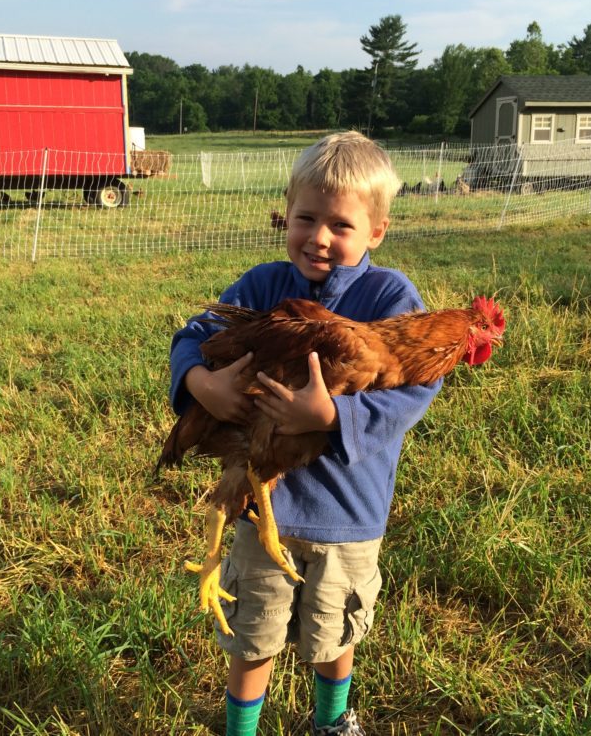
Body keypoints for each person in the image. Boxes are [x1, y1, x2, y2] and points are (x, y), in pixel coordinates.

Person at [168, 131, 441, 735]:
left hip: (346, 511)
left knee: (333, 633)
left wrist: (333, 419)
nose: (318, 237)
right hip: (260, 501)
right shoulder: (264, 285)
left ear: (376, 231)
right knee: (252, 633)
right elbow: (195, 331)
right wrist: (199, 383)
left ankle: (333, 723)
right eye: (306, 218)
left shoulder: (390, 296)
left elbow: (413, 391)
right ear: (285, 213)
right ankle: (242, 729)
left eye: (339, 225)